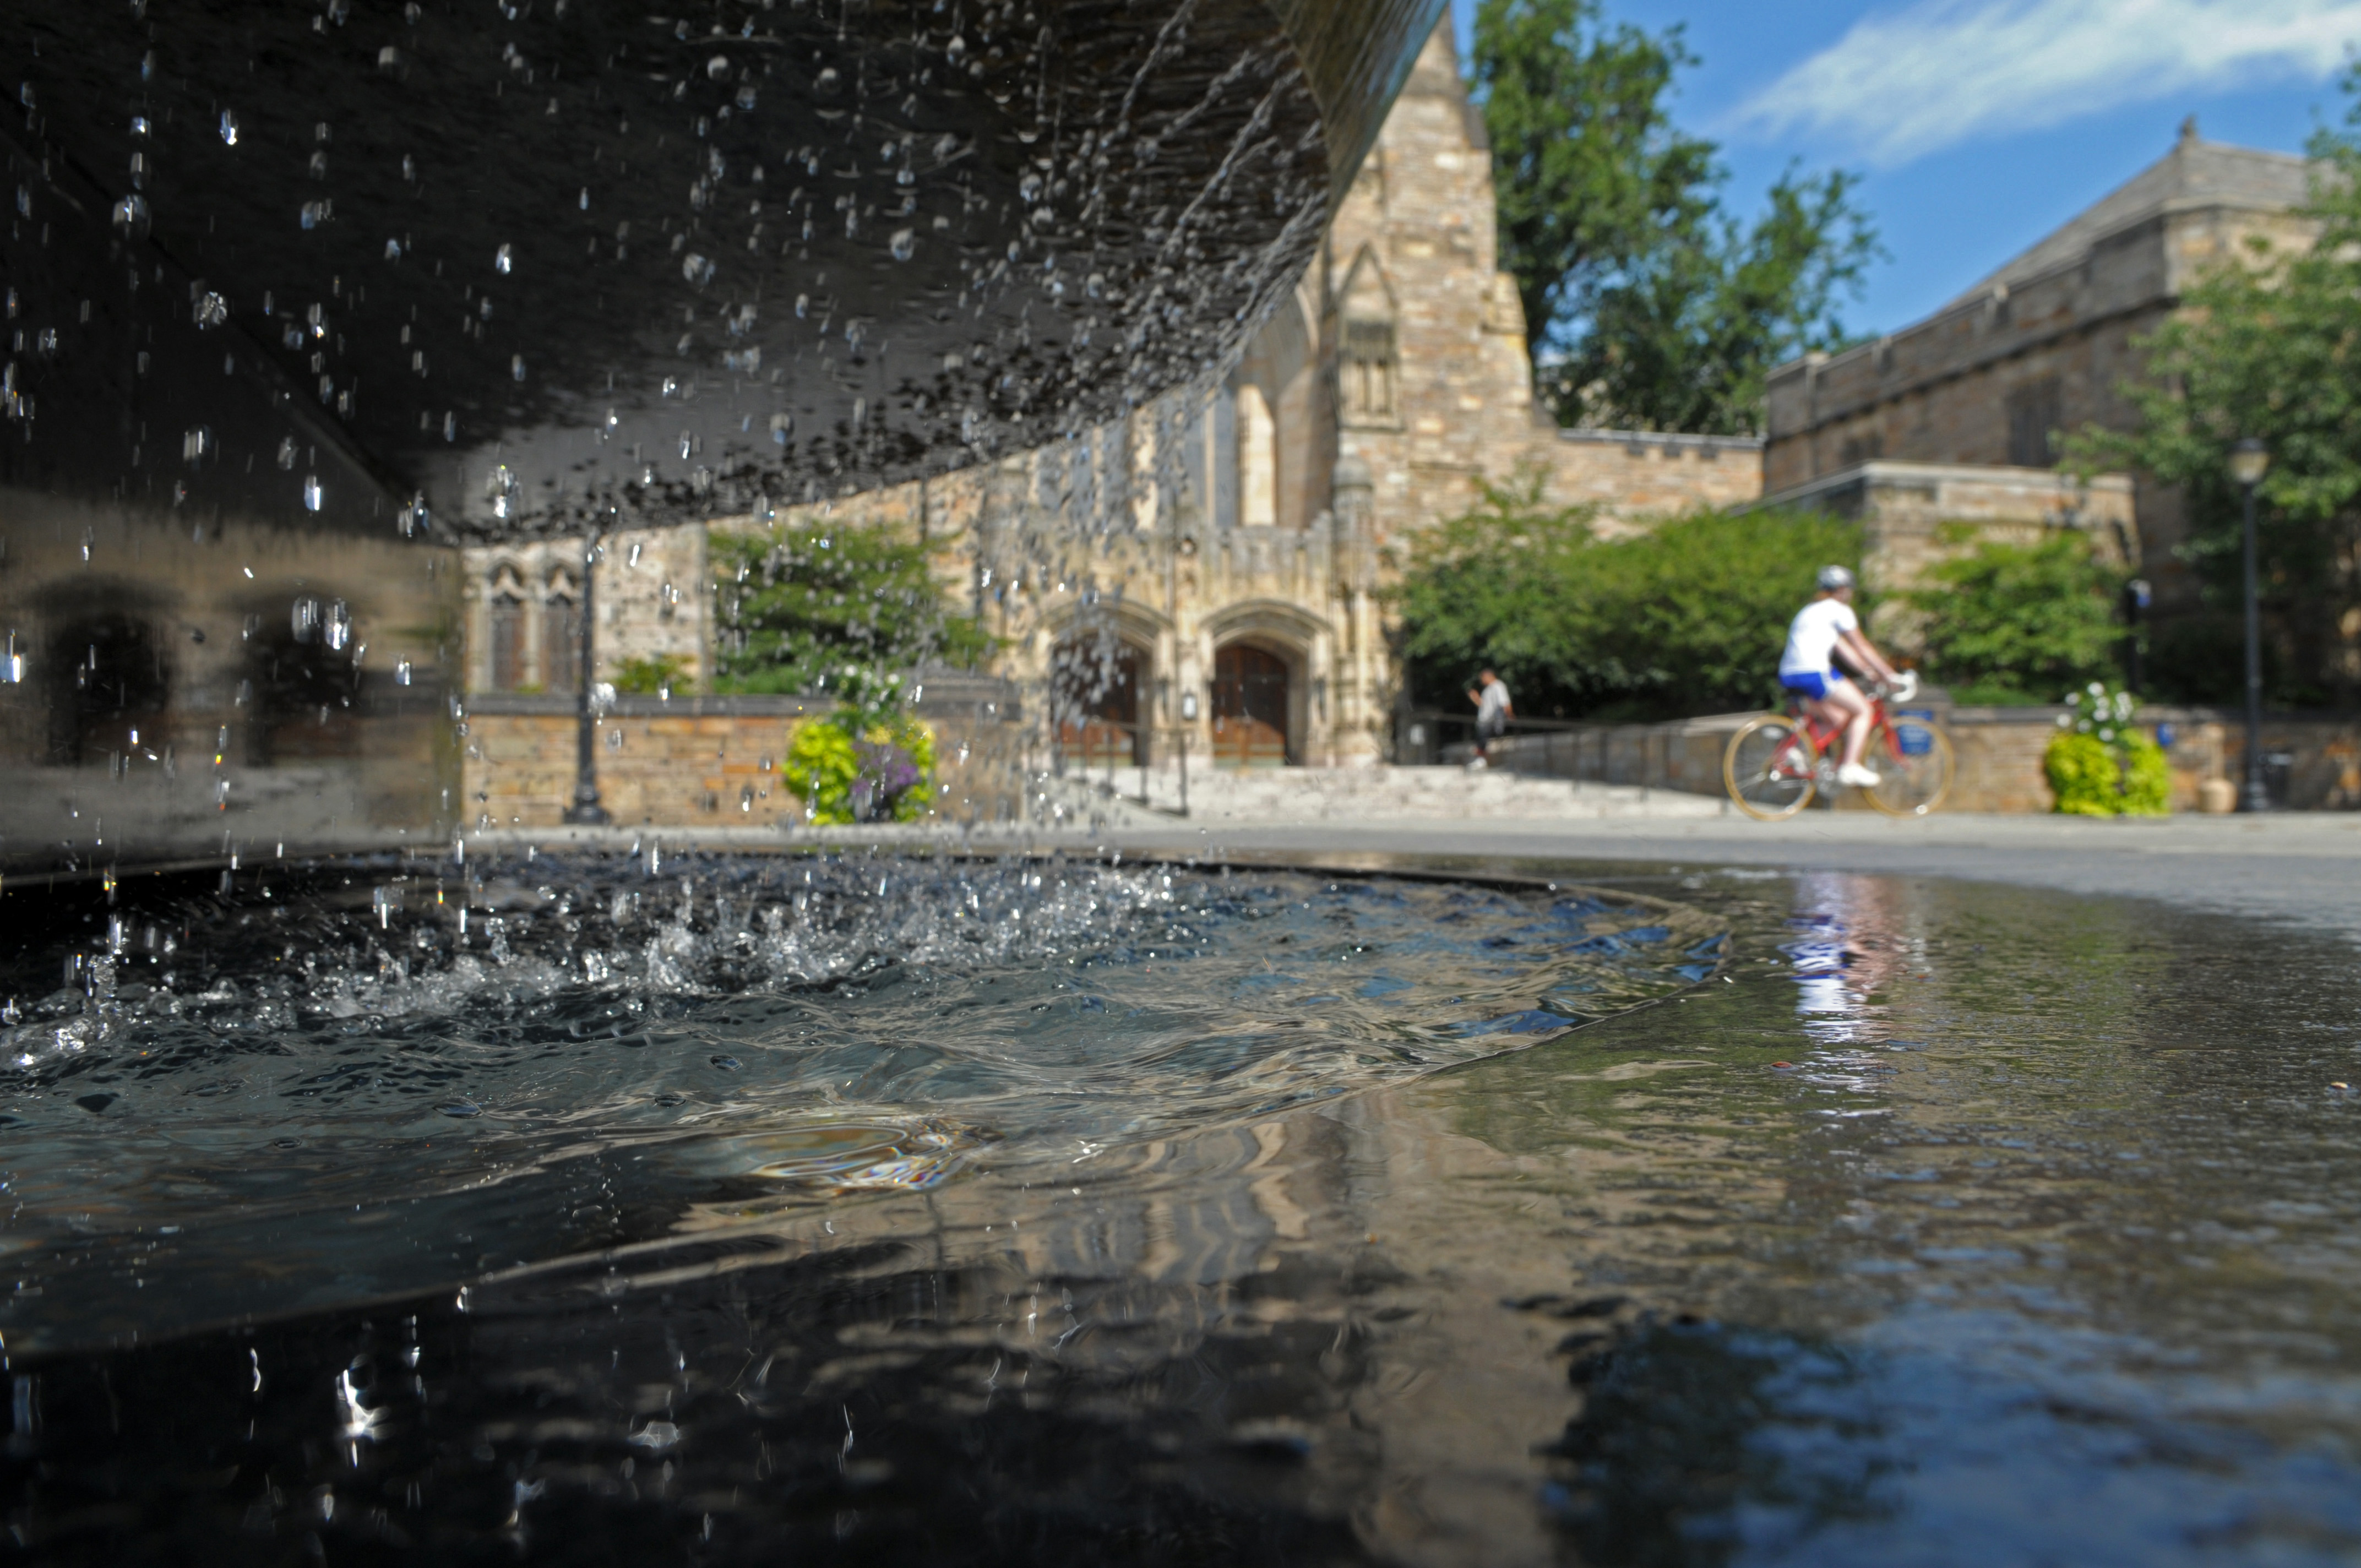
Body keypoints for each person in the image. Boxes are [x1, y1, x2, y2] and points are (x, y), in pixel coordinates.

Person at [1779, 566, 1912, 788]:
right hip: (1814, 673)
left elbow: (1845, 650)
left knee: (1840, 718)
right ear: (1842, 590)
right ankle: (1850, 767)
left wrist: (1869, 672)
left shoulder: (1809, 612)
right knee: (1864, 710)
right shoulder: (1839, 610)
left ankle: (1797, 752)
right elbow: (1861, 646)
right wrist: (1889, 675)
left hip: (1790, 674)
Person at [1466, 669, 1511, 766]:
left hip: (1492, 720)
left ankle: (1481, 760)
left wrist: (1510, 716)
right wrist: (1476, 698)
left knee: (1482, 739)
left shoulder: (1498, 686)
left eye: (1483, 678)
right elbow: (1484, 705)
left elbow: (1505, 703)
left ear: (1489, 676)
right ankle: (1480, 760)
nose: (1482, 681)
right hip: (1484, 720)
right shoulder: (1488, 689)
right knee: (1480, 738)